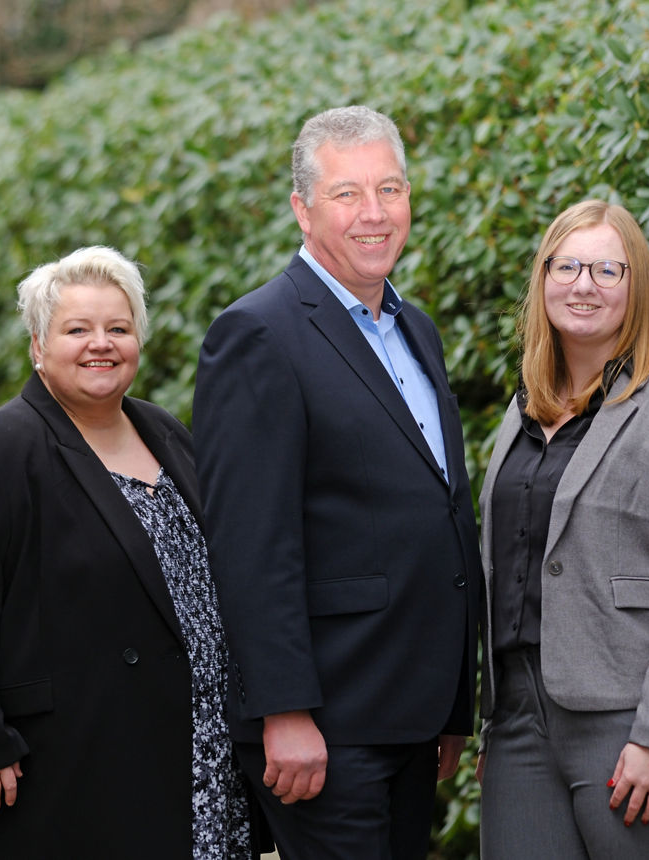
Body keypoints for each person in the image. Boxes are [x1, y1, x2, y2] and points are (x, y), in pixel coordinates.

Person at [0, 246, 262, 859]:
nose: (102, 343)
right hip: (70, 757)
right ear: (38, 346)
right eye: (77, 329)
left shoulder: (165, 431)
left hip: (195, 748)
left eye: (118, 328)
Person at [192, 105, 481, 859]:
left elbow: (441, 515)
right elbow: (251, 541)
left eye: (391, 189)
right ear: (302, 208)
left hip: (412, 714)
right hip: (326, 723)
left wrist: (453, 703)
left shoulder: (416, 330)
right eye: (348, 194)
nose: (376, 213)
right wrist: (284, 711)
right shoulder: (258, 333)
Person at [476, 199, 649, 858]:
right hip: (520, 718)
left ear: (639, 288)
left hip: (641, 717)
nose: (583, 284)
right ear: (543, 282)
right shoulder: (521, 414)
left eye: (607, 269)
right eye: (566, 266)